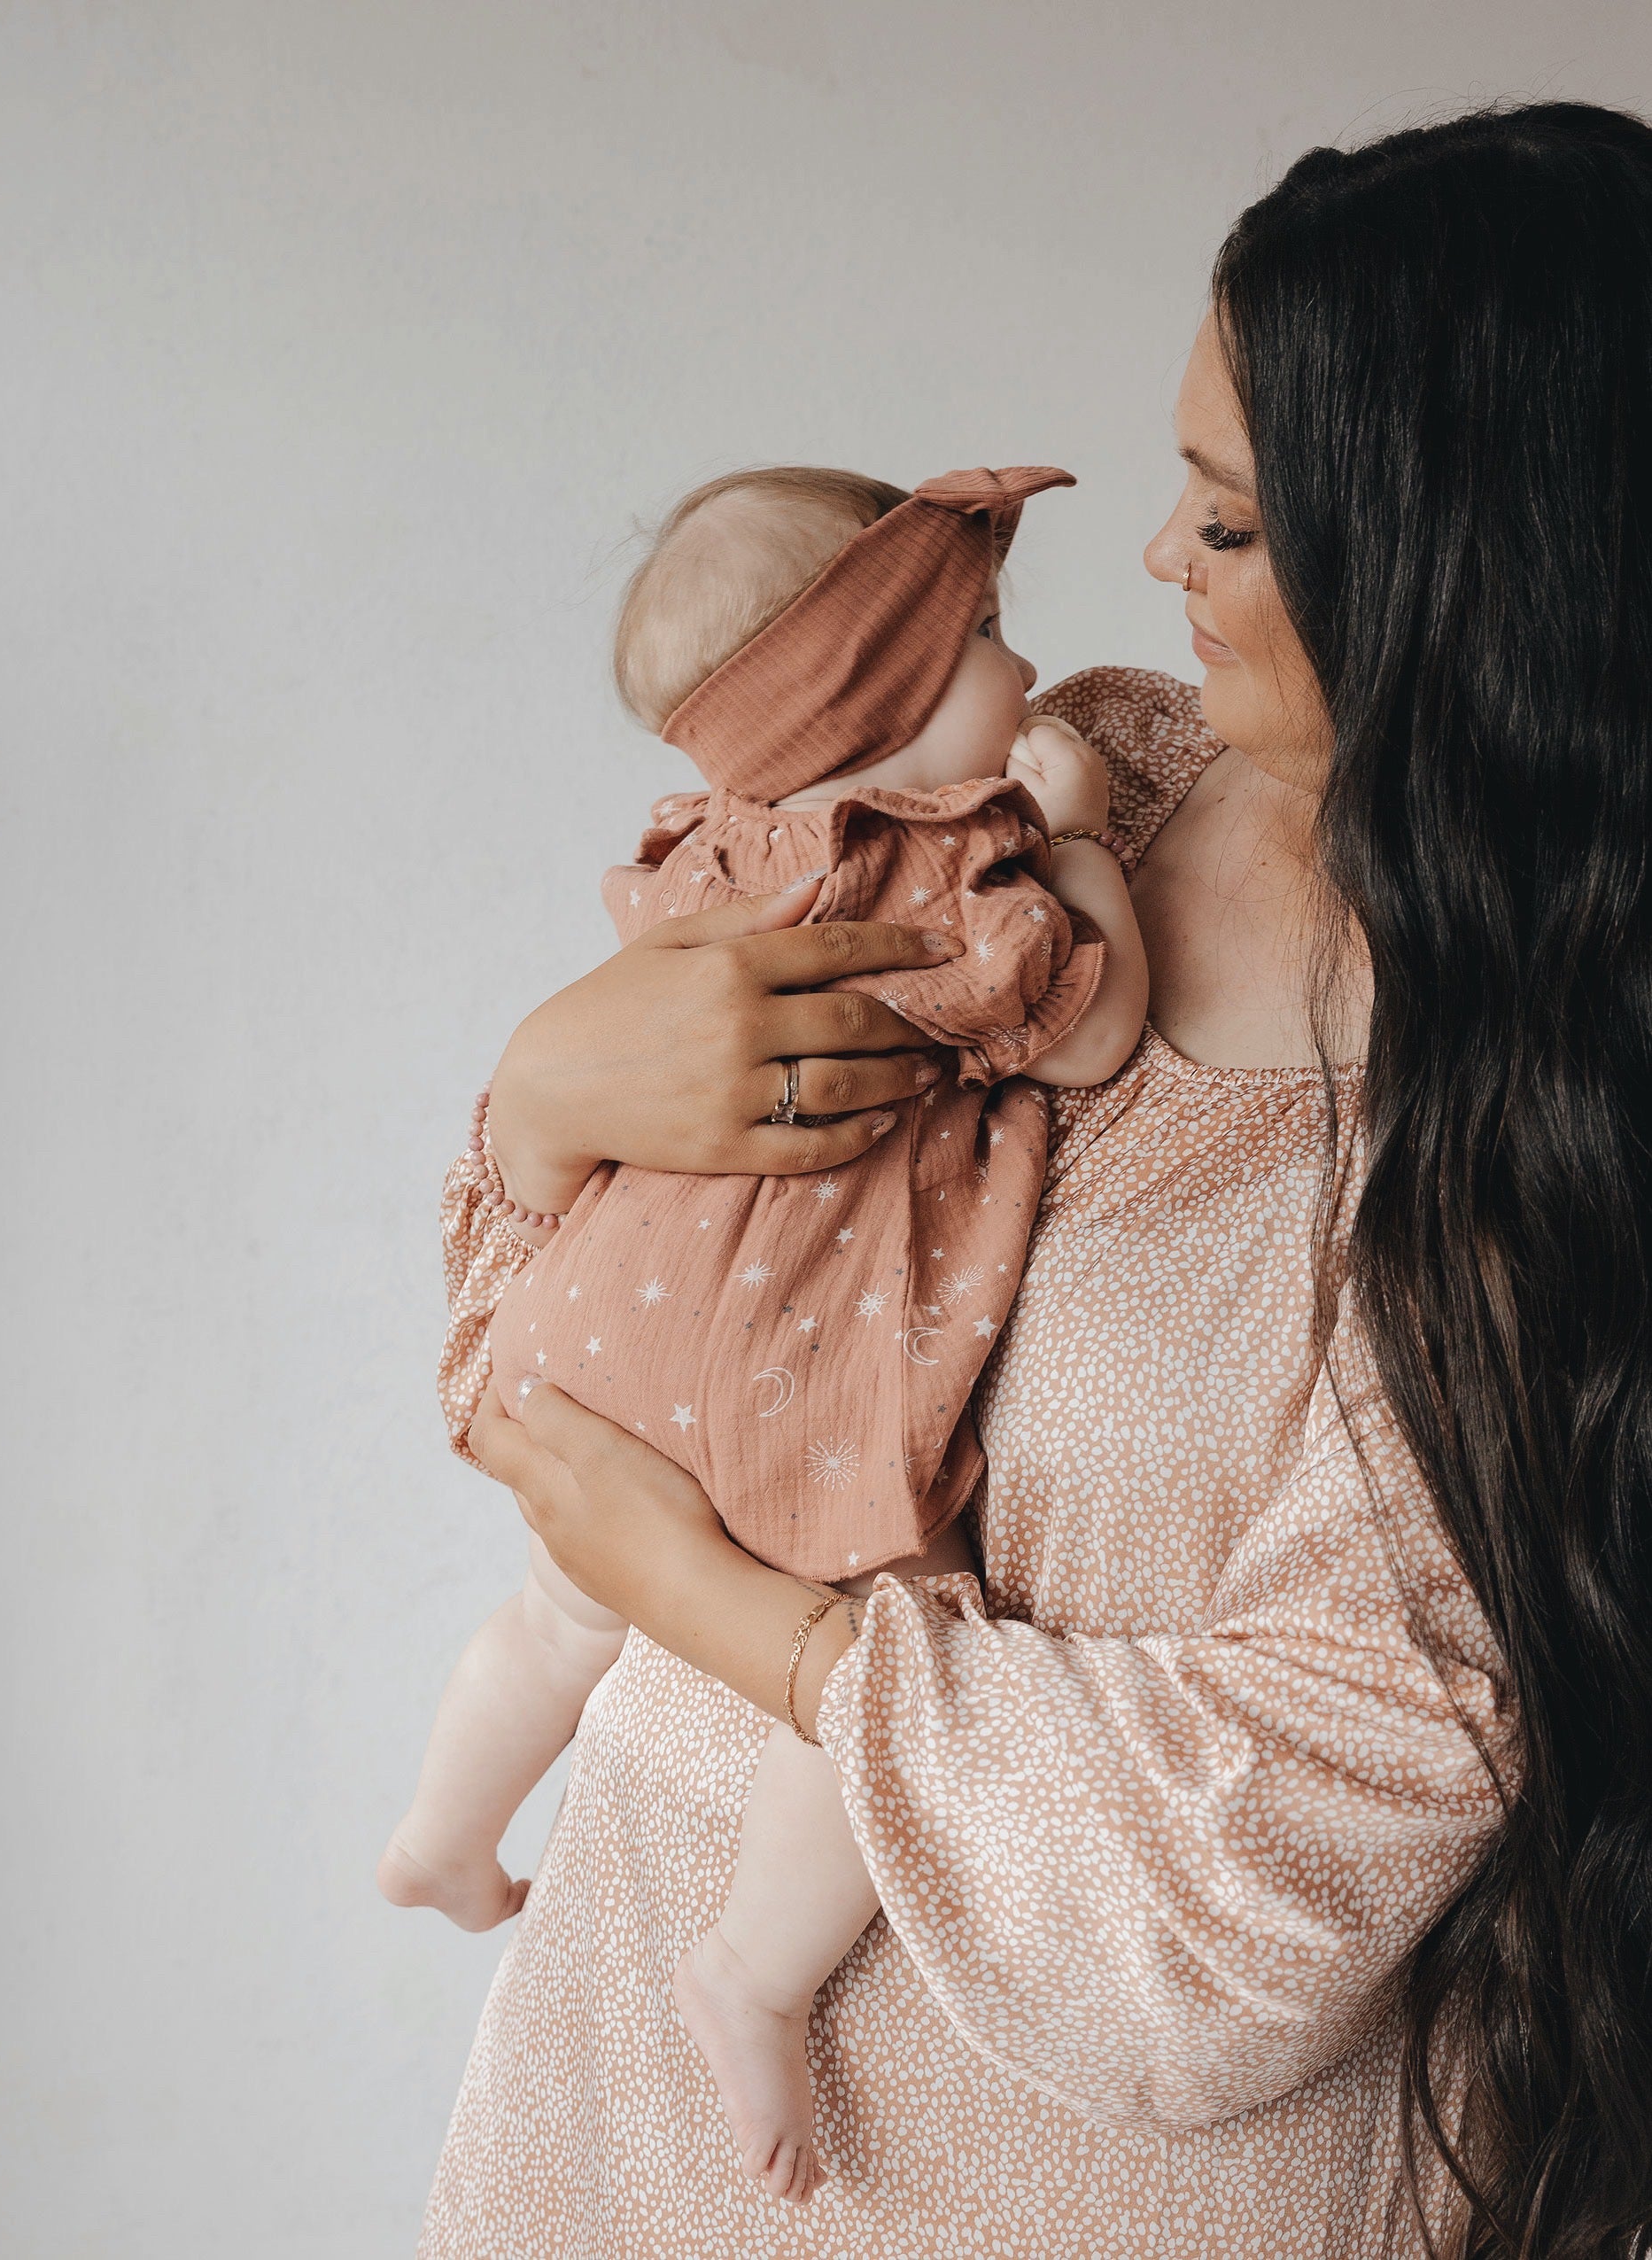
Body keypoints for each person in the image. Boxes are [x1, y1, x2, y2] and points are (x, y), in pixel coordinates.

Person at [415, 102, 1652, 2260]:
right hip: (620, 2109)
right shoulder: (1064, 782)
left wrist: (723, 1609)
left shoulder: (1542, 1151)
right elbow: (571, 1349)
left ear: (1466, 567)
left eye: (1237, 522)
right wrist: (538, 1107)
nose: (1160, 565)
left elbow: (1237, 1907)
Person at [380, 460, 1149, 2204]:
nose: (1022, 676)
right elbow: (1090, 1035)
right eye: (982, 642)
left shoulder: (702, 853)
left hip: (597, 1334)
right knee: (886, 1652)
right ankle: (754, 1965)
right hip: (781, 1363)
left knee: (557, 1606)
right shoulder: (945, 876)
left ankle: (439, 1832)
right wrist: (1083, 837)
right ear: (867, 705)